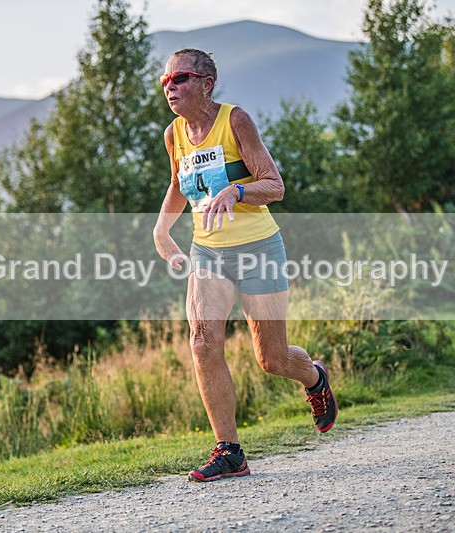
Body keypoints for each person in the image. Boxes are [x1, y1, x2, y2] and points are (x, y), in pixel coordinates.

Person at [152, 48, 337, 483]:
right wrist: (161, 231)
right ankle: (230, 450)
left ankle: (313, 378)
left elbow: (274, 185)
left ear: (205, 83)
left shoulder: (235, 121)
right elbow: (179, 185)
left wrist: (237, 191)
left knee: (272, 359)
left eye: (179, 78)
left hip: (258, 247)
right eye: (165, 82)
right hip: (208, 252)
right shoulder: (173, 133)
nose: (170, 87)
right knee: (201, 342)